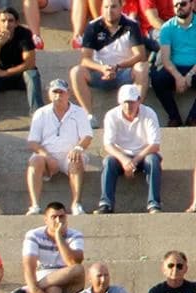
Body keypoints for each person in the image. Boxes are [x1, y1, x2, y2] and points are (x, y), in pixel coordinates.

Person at [70, 0, 149, 123]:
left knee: (142, 68)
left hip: (124, 72)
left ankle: (135, 112)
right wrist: (102, 68)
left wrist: (117, 66)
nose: (109, 11)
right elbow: (85, 59)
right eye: (106, 7)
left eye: (113, 7)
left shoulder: (131, 25)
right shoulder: (93, 26)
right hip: (100, 73)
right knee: (76, 72)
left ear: (121, 7)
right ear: (101, 8)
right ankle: (89, 116)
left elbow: (141, 55)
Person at [24, 79, 93, 216]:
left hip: (70, 155)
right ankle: (35, 206)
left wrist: (78, 148)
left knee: (77, 158)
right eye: (55, 92)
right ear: (49, 94)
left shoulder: (79, 112)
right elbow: (32, 142)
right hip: (47, 156)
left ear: (68, 94)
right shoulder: (41, 113)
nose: (58, 96)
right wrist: (47, 157)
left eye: (61, 92)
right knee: (34, 161)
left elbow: (87, 136)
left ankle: (76, 204)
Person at [97, 83, 163, 215]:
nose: (128, 106)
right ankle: (106, 204)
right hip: (121, 156)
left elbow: (155, 144)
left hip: (143, 155)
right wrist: (124, 160)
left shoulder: (149, 113)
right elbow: (108, 144)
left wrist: (135, 161)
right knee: (108, 162)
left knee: (153, 160)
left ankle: (154, 204)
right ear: (120, 102)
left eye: (132, 102)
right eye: (125, 102)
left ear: (139, 100)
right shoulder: (111, 115)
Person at [0, 6, 41, 129]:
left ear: (17, 23)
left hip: (19, 76)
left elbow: (30, 63)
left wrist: (6, 72)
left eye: (11, 20)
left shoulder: (24, 34)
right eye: (3, 21)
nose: (7, 24)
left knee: (32, 74)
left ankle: (38, 118)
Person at [151, 0, 196, 126]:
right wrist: (178, 77)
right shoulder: (167, 27)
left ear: (192, 4)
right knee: (156, 78)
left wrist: (189, 75)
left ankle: (193, 118)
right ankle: (174, 117)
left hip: (195, 69)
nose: (179, 7)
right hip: (175, 68)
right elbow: (165, 58)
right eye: (176, 5)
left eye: (183, 4)